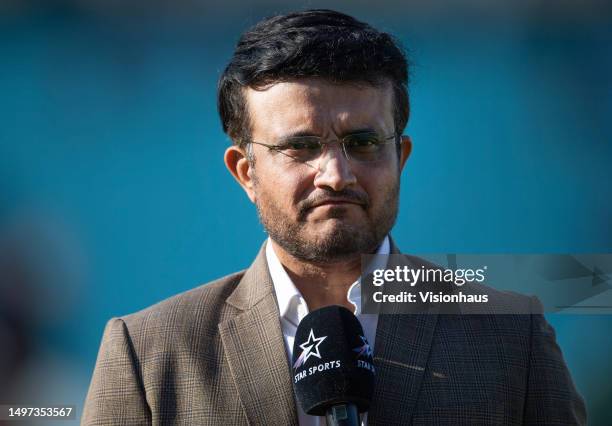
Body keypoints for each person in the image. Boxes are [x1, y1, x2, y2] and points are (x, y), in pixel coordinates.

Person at [82, 9, 586, 425]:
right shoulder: (150, 355)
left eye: (362, 143)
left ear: (400, 157)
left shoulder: (509, 335)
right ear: (245, 172)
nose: (336, 175)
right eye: (301, 147)